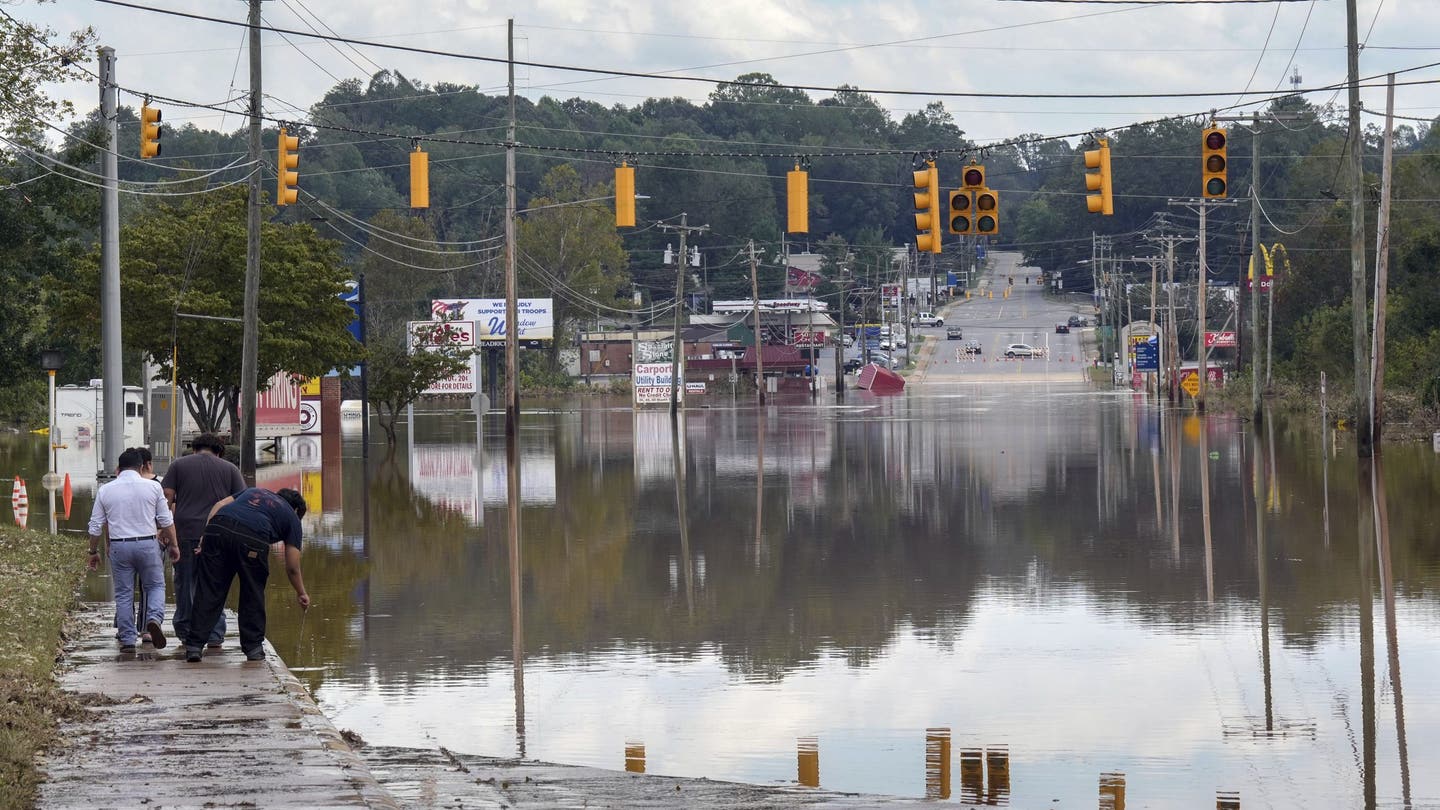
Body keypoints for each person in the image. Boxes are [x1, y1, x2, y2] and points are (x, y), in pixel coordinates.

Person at [183, 487, 311, 663]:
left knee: (209, 589)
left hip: (218, 528)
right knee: (252, 593)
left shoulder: (254, 491)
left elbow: (220, 504)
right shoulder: (292, 518)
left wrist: (206, 534)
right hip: (253, 538)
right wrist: (301, 592)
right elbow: (292, 567)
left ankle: (194, 647)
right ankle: (253, 649)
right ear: (296, 510)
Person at [87, 448, 180, 652]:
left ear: (118, 469)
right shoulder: (153, 487)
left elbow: (95, 526)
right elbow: (166, 520)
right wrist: (173, 545)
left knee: (124, 593)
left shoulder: (105, 489)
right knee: (155, 586)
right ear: (141, 468)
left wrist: (93, 551)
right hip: (147, 543)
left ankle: (128, 639)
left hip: (119, 546)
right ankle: (153, 619)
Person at [161, 434, 245, 649]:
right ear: (219, 451)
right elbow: (241, 502)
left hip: (185, 532)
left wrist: (162, 528)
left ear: (194, 448)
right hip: (219, 534)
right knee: (214, 584)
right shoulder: (230, 469)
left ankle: (186, 632)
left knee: (185, 582)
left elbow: (166, 497)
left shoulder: (178, 465)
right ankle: (215, 634)